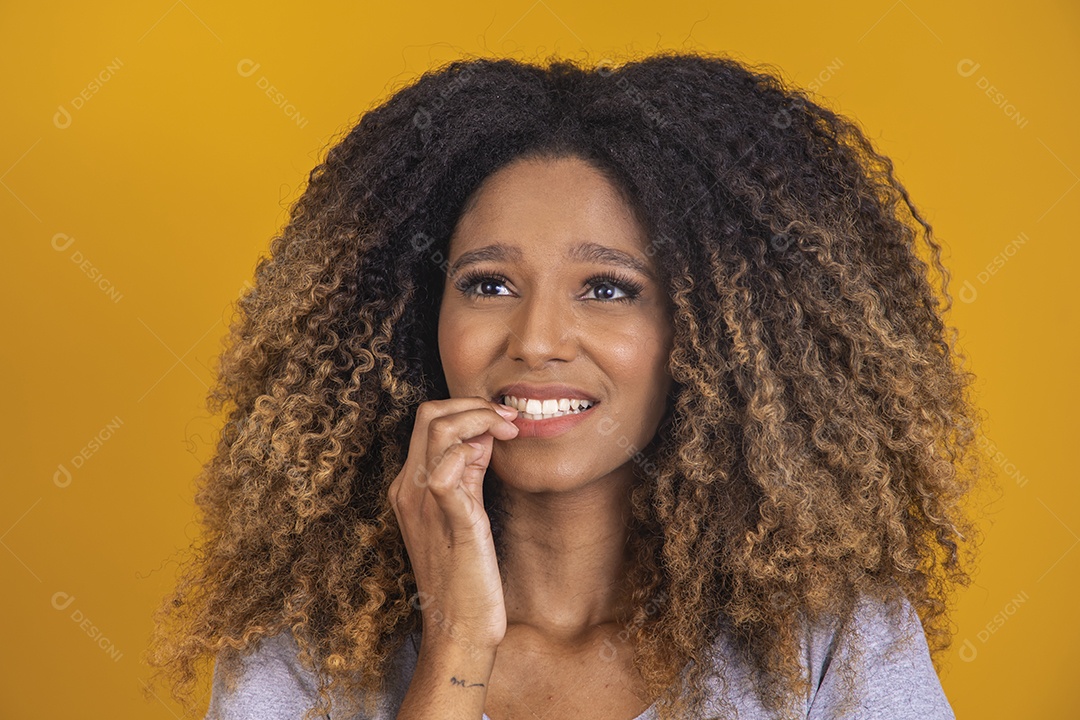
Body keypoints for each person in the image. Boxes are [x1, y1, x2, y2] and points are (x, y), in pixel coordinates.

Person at [144, 50, 985, 720]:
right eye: (488, 284)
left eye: (609, 289)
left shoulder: (828, 641)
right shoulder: (306, 654)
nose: (537, 340)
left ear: (715, 336)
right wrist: (456, 647)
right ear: (414, 315)